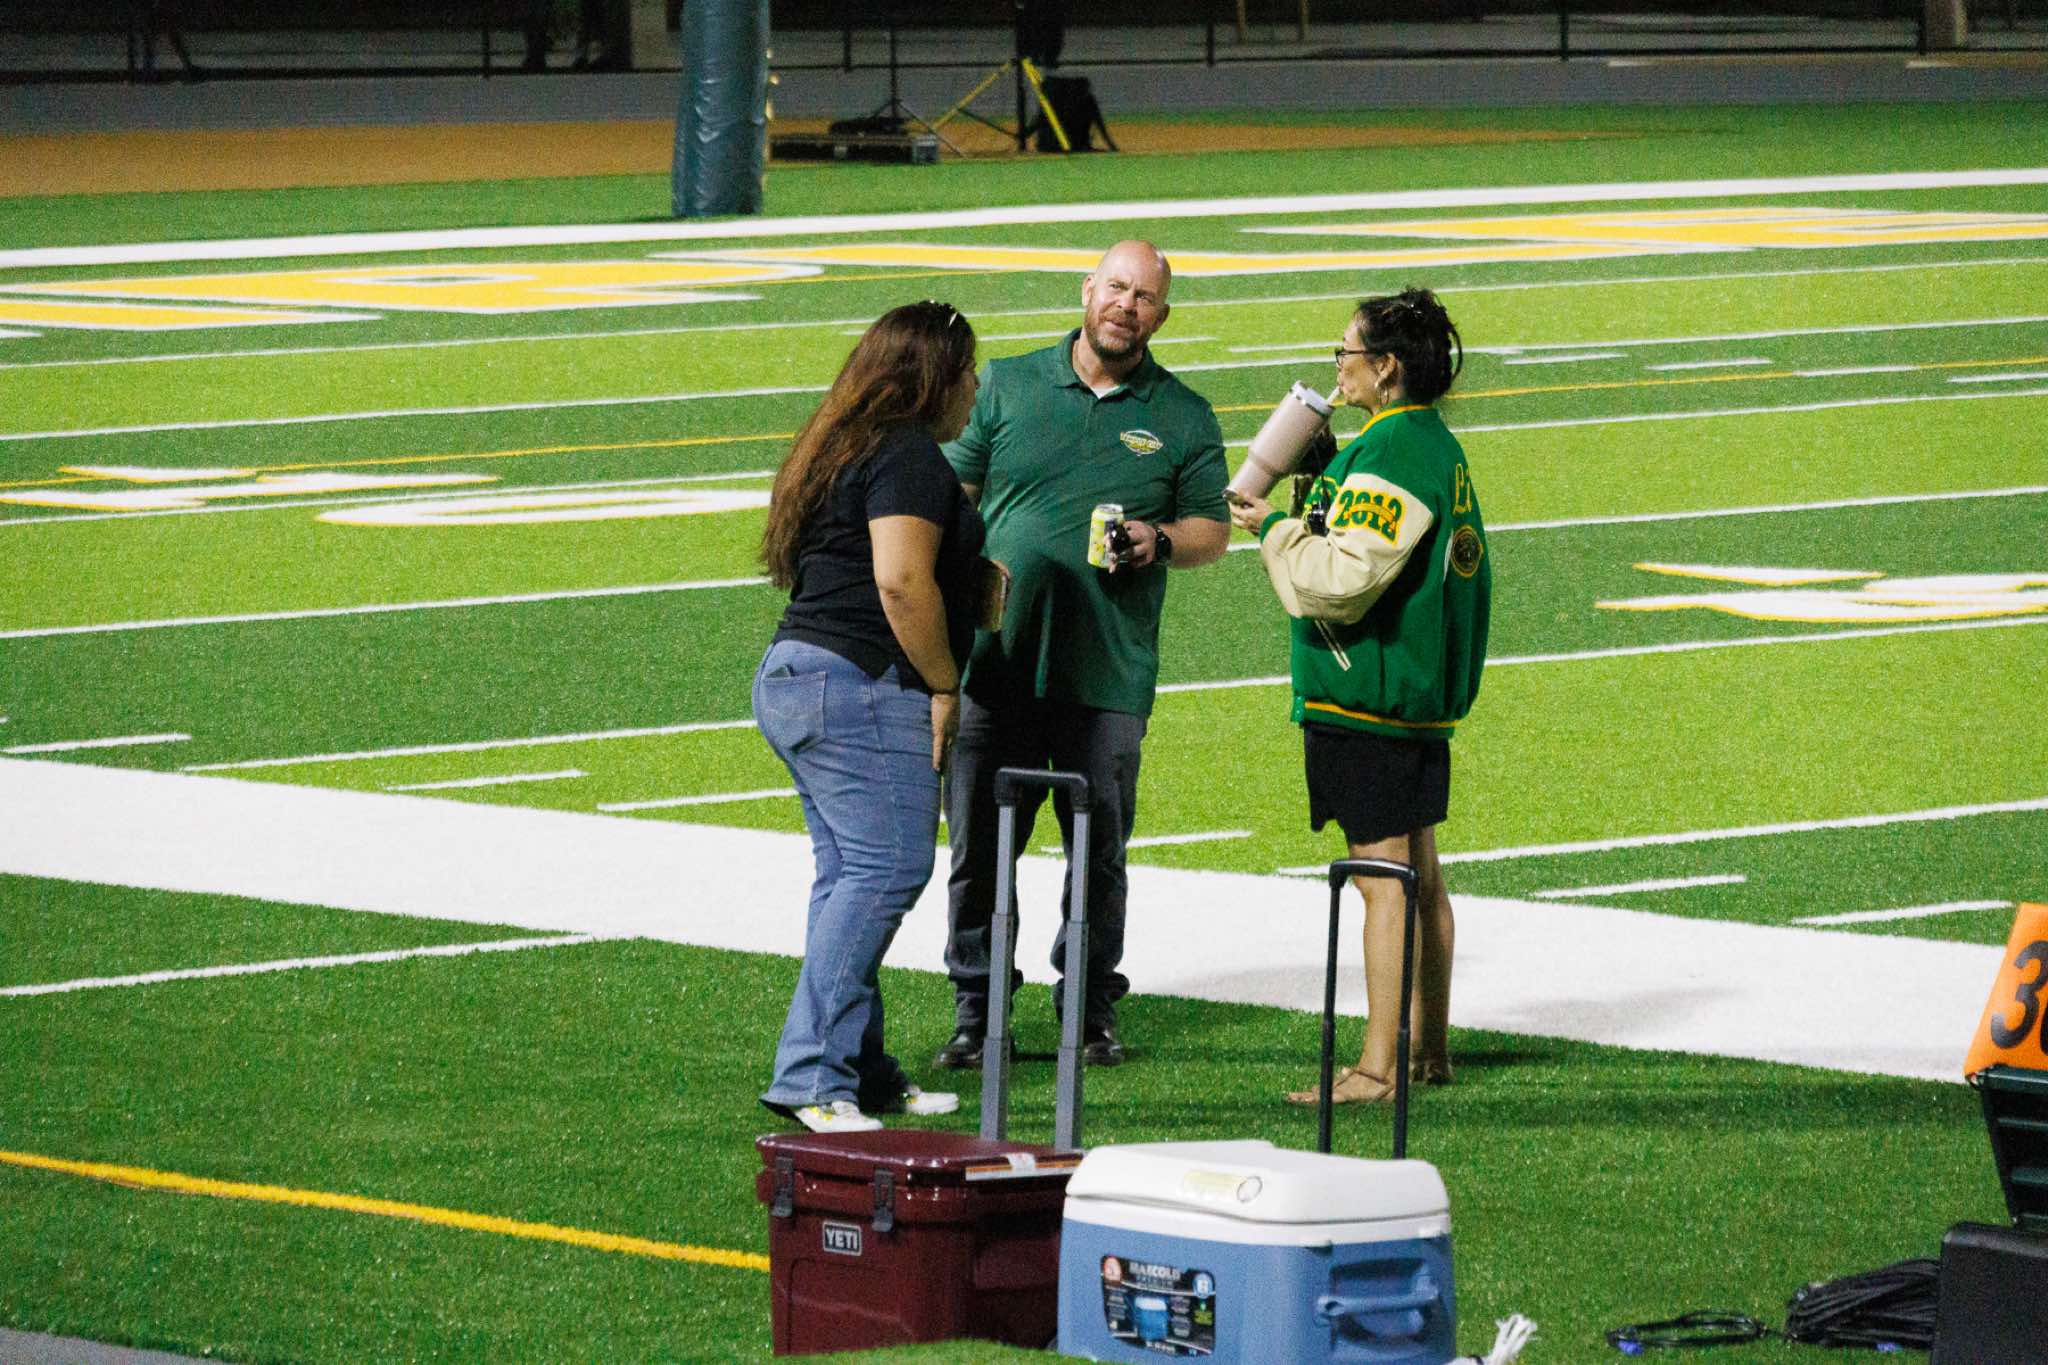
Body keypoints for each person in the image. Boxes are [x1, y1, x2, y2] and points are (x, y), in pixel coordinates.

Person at [934, 240, 1230, 1071]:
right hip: (997, 663)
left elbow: (1213, 529)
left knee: (1098, 857)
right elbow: (951, 493)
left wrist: (1158, 539)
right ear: (1087, 289)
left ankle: (1091, 1010)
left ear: (1161, 315)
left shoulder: (1183, 413)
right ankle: (977, 1011)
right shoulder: (1009, 383)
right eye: (1116, 288)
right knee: (979, 853)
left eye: (1145, 297)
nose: (1127, 306)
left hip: (1108, 673)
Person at [1226, 287, 1491, 1106]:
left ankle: (1378, 1065)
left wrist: (1272, 527)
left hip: (1370, 692)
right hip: (1412, 694)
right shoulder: (1424, 441)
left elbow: (1341, 581)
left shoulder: (1393, 453)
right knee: (1421, 876)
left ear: (1386, 367)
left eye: (1346, 351)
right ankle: (1428, 1047)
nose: (1337, 366)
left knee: (1383, 880)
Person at [753, 301, 987, 1134]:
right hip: (858, 682)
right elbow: (900, 580)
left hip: (798, 674)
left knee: (847, 875)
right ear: (934, 378)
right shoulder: (907, 454)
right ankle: (813, 1074)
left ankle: (859, 1068)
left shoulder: (839, 445)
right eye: (967, 370)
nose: (975, 386)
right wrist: (944, 682)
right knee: (886, 871)